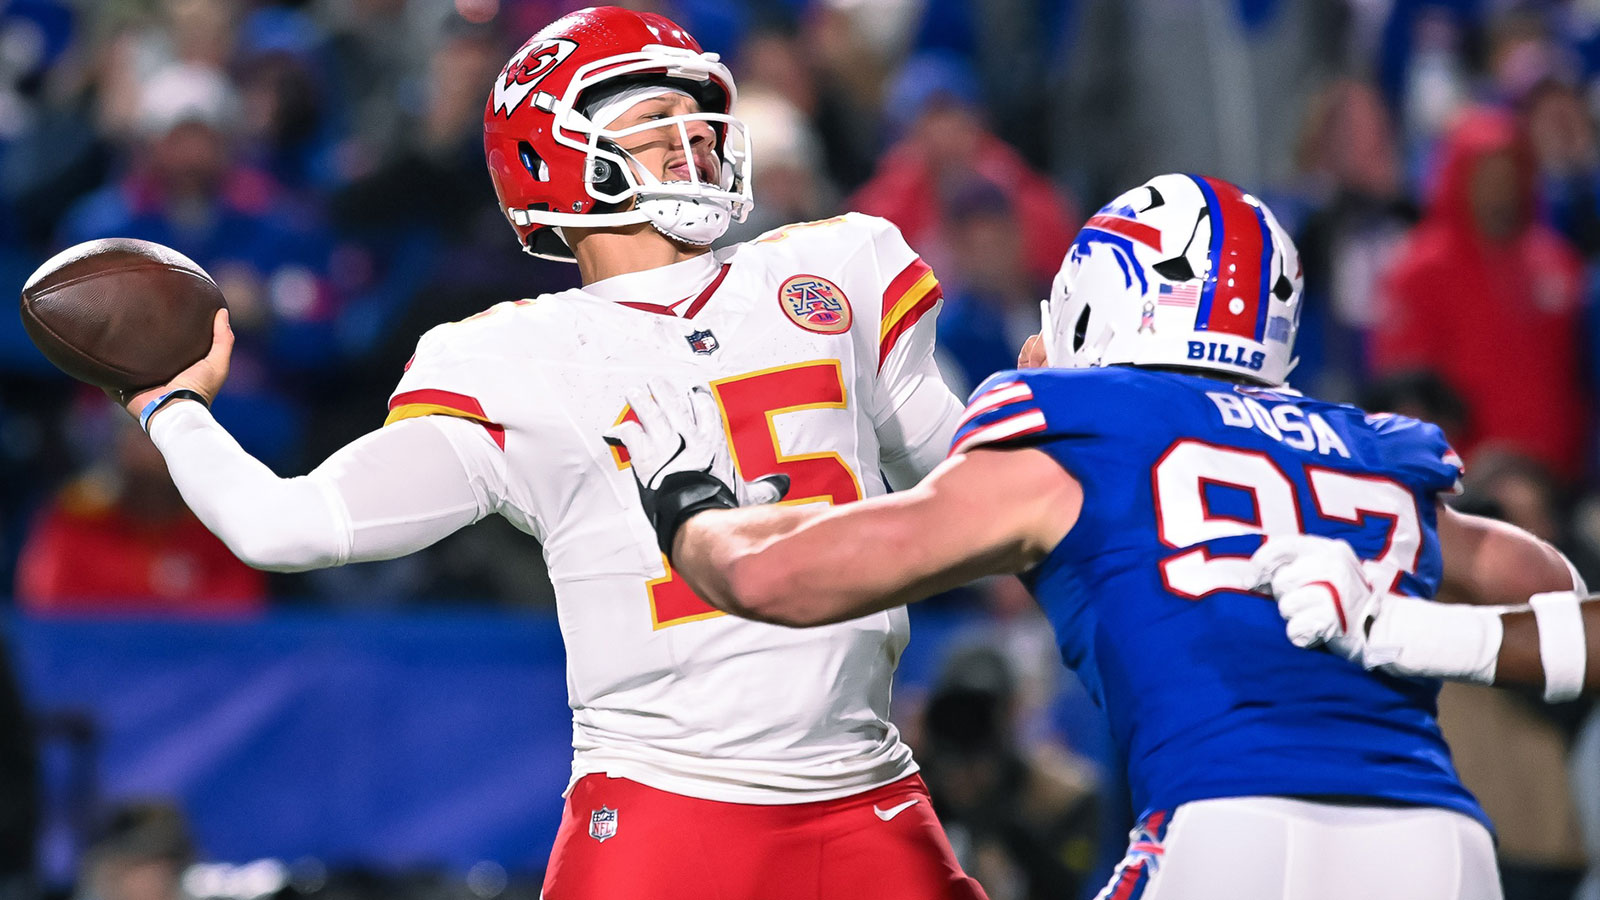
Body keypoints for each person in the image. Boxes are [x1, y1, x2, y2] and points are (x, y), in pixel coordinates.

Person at [111, 8, 982, 900]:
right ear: (552, 157)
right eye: (650, 118)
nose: (692, 137)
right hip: (667, 811)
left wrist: (1051, 413)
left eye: (696, 112)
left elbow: (976, 488)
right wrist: (172, 407)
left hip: (868, 791)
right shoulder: (509, 359)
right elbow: (286, 526)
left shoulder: (838, 266)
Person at [610, 173, 1585, 900]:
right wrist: (1410, 637)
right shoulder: (1371, 452)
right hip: (1442, 847)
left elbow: (780, 579)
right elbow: (1572, 618)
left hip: (1228, 828)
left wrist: (687, 507)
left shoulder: (1080, 433)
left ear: (1100, 295)